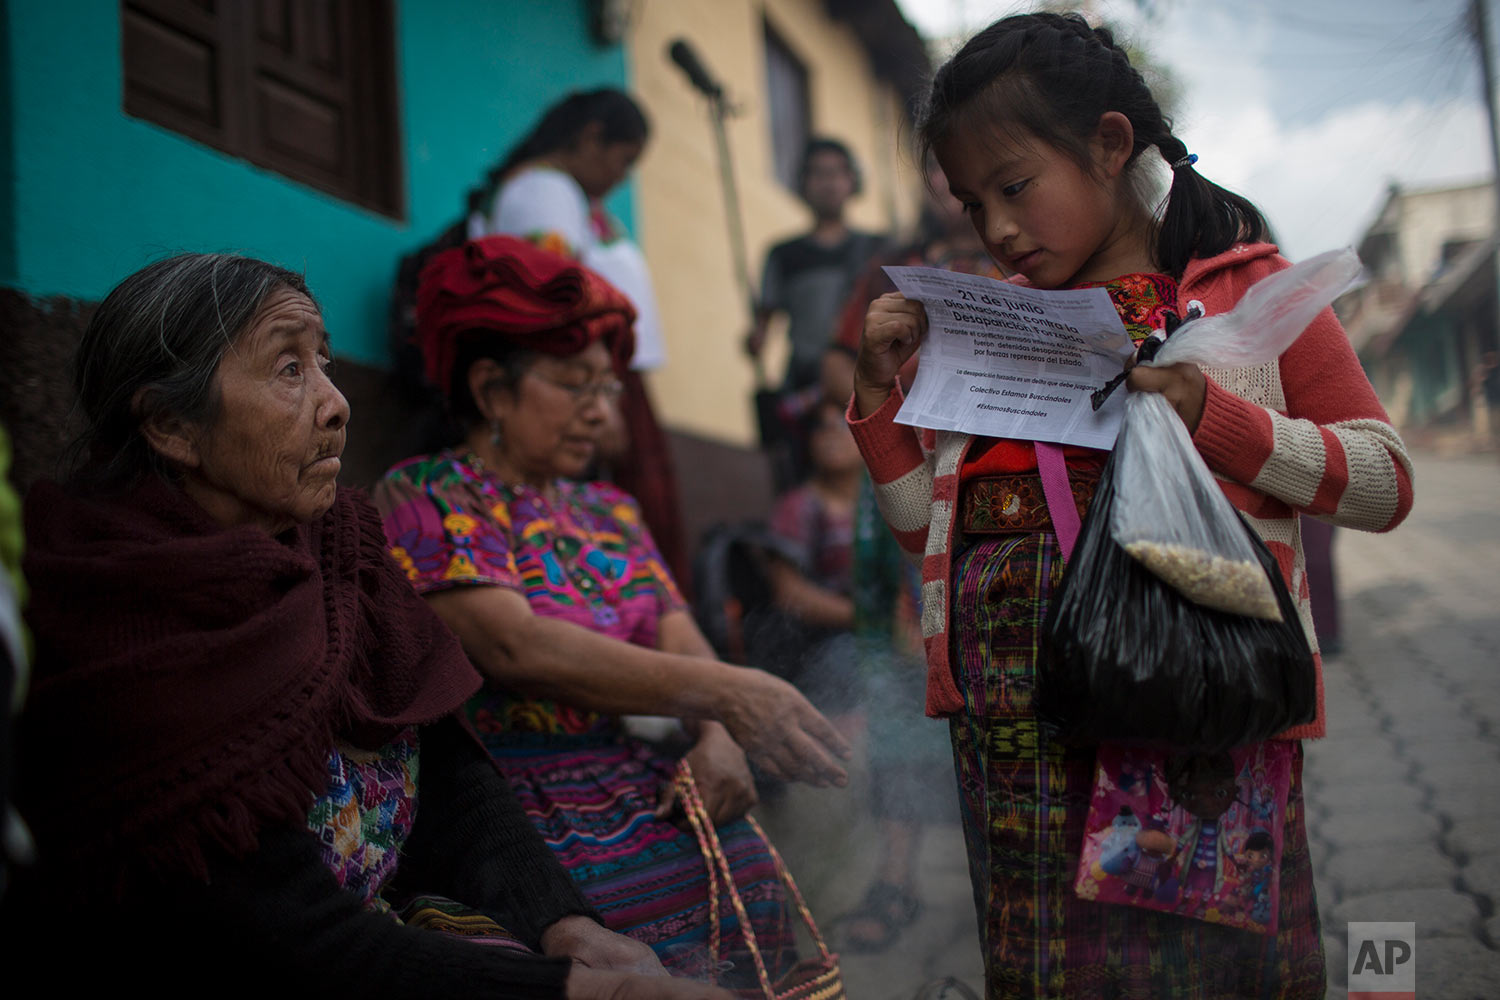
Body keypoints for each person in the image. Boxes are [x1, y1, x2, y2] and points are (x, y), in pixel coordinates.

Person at [849, 13, 1414, 998]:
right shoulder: (989, 327)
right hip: (1016, 734)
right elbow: (921, 531)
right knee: (1047, 968)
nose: (996, 229)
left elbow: (1383, 480)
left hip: (1191, 706)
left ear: (1110, 146)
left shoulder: (1243, 300)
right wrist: (878, 396)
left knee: (1216, 960)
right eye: (973, 203)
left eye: (1014, 186)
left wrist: (1219, 420)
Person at [2, 253, 729, 998]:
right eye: (288, 369)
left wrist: (565, 925)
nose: (336, 402)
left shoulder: (338, 553)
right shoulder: (126, 628)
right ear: (170, 425)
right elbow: (291, 939)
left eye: (323, 361)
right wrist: (591, 991)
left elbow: (451, 774)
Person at [371, 235, 851, 984]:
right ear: (493, 388)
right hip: (499, 802)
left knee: (747, 874)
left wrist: (718, 735)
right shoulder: (428, 494)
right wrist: (731, 692)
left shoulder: (611, 511)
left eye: (609, 388)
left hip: (623, 776)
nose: (601, 411)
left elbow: (684, 641)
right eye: (575, 384)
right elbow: (513, 648)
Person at [465, 89, 689, 589]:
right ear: (591, 138)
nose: (622, 177)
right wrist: (597, 397)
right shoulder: (544, 190)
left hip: (601, 375)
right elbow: (556, 303)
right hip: (588, 375)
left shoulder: (567, 199)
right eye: (624, 159)